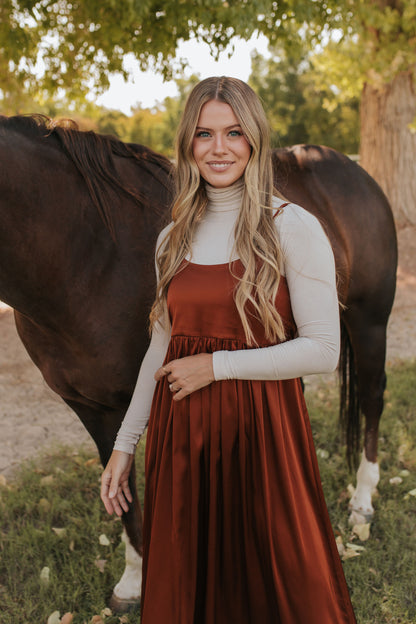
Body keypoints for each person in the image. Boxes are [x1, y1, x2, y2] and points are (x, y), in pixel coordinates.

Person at [101, 76, 357, 624]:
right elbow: (160, 348)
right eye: (204, 134)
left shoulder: (290, 225)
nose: (219, 148)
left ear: (255, 139)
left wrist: (216, 366)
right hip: (182, 438)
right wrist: (125, 444)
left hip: (263, 432)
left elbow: (322, 350)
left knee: (280, 578)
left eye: (234, 133)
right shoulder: (172, 237)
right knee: (193, 581)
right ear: (188, 145)